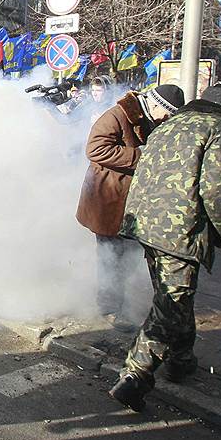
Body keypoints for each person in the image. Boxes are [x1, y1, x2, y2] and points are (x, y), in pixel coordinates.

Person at [110, 86, 221, 412]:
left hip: (147, 222)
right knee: (171, 304)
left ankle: (181, 359)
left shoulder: (172, 124)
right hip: (179, 229)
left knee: (173, 296)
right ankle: (135, 376)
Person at [76, 85, 185, 331]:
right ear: (155, 104)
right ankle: (110, 308)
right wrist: (139, 155)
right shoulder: (117, 115)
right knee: (111, 255)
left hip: (127, 199)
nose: (165, 119)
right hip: (107, 198)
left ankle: (122, 302)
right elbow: (94, 149)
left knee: (126, 254)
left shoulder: (146, 117)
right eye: (166, 113)